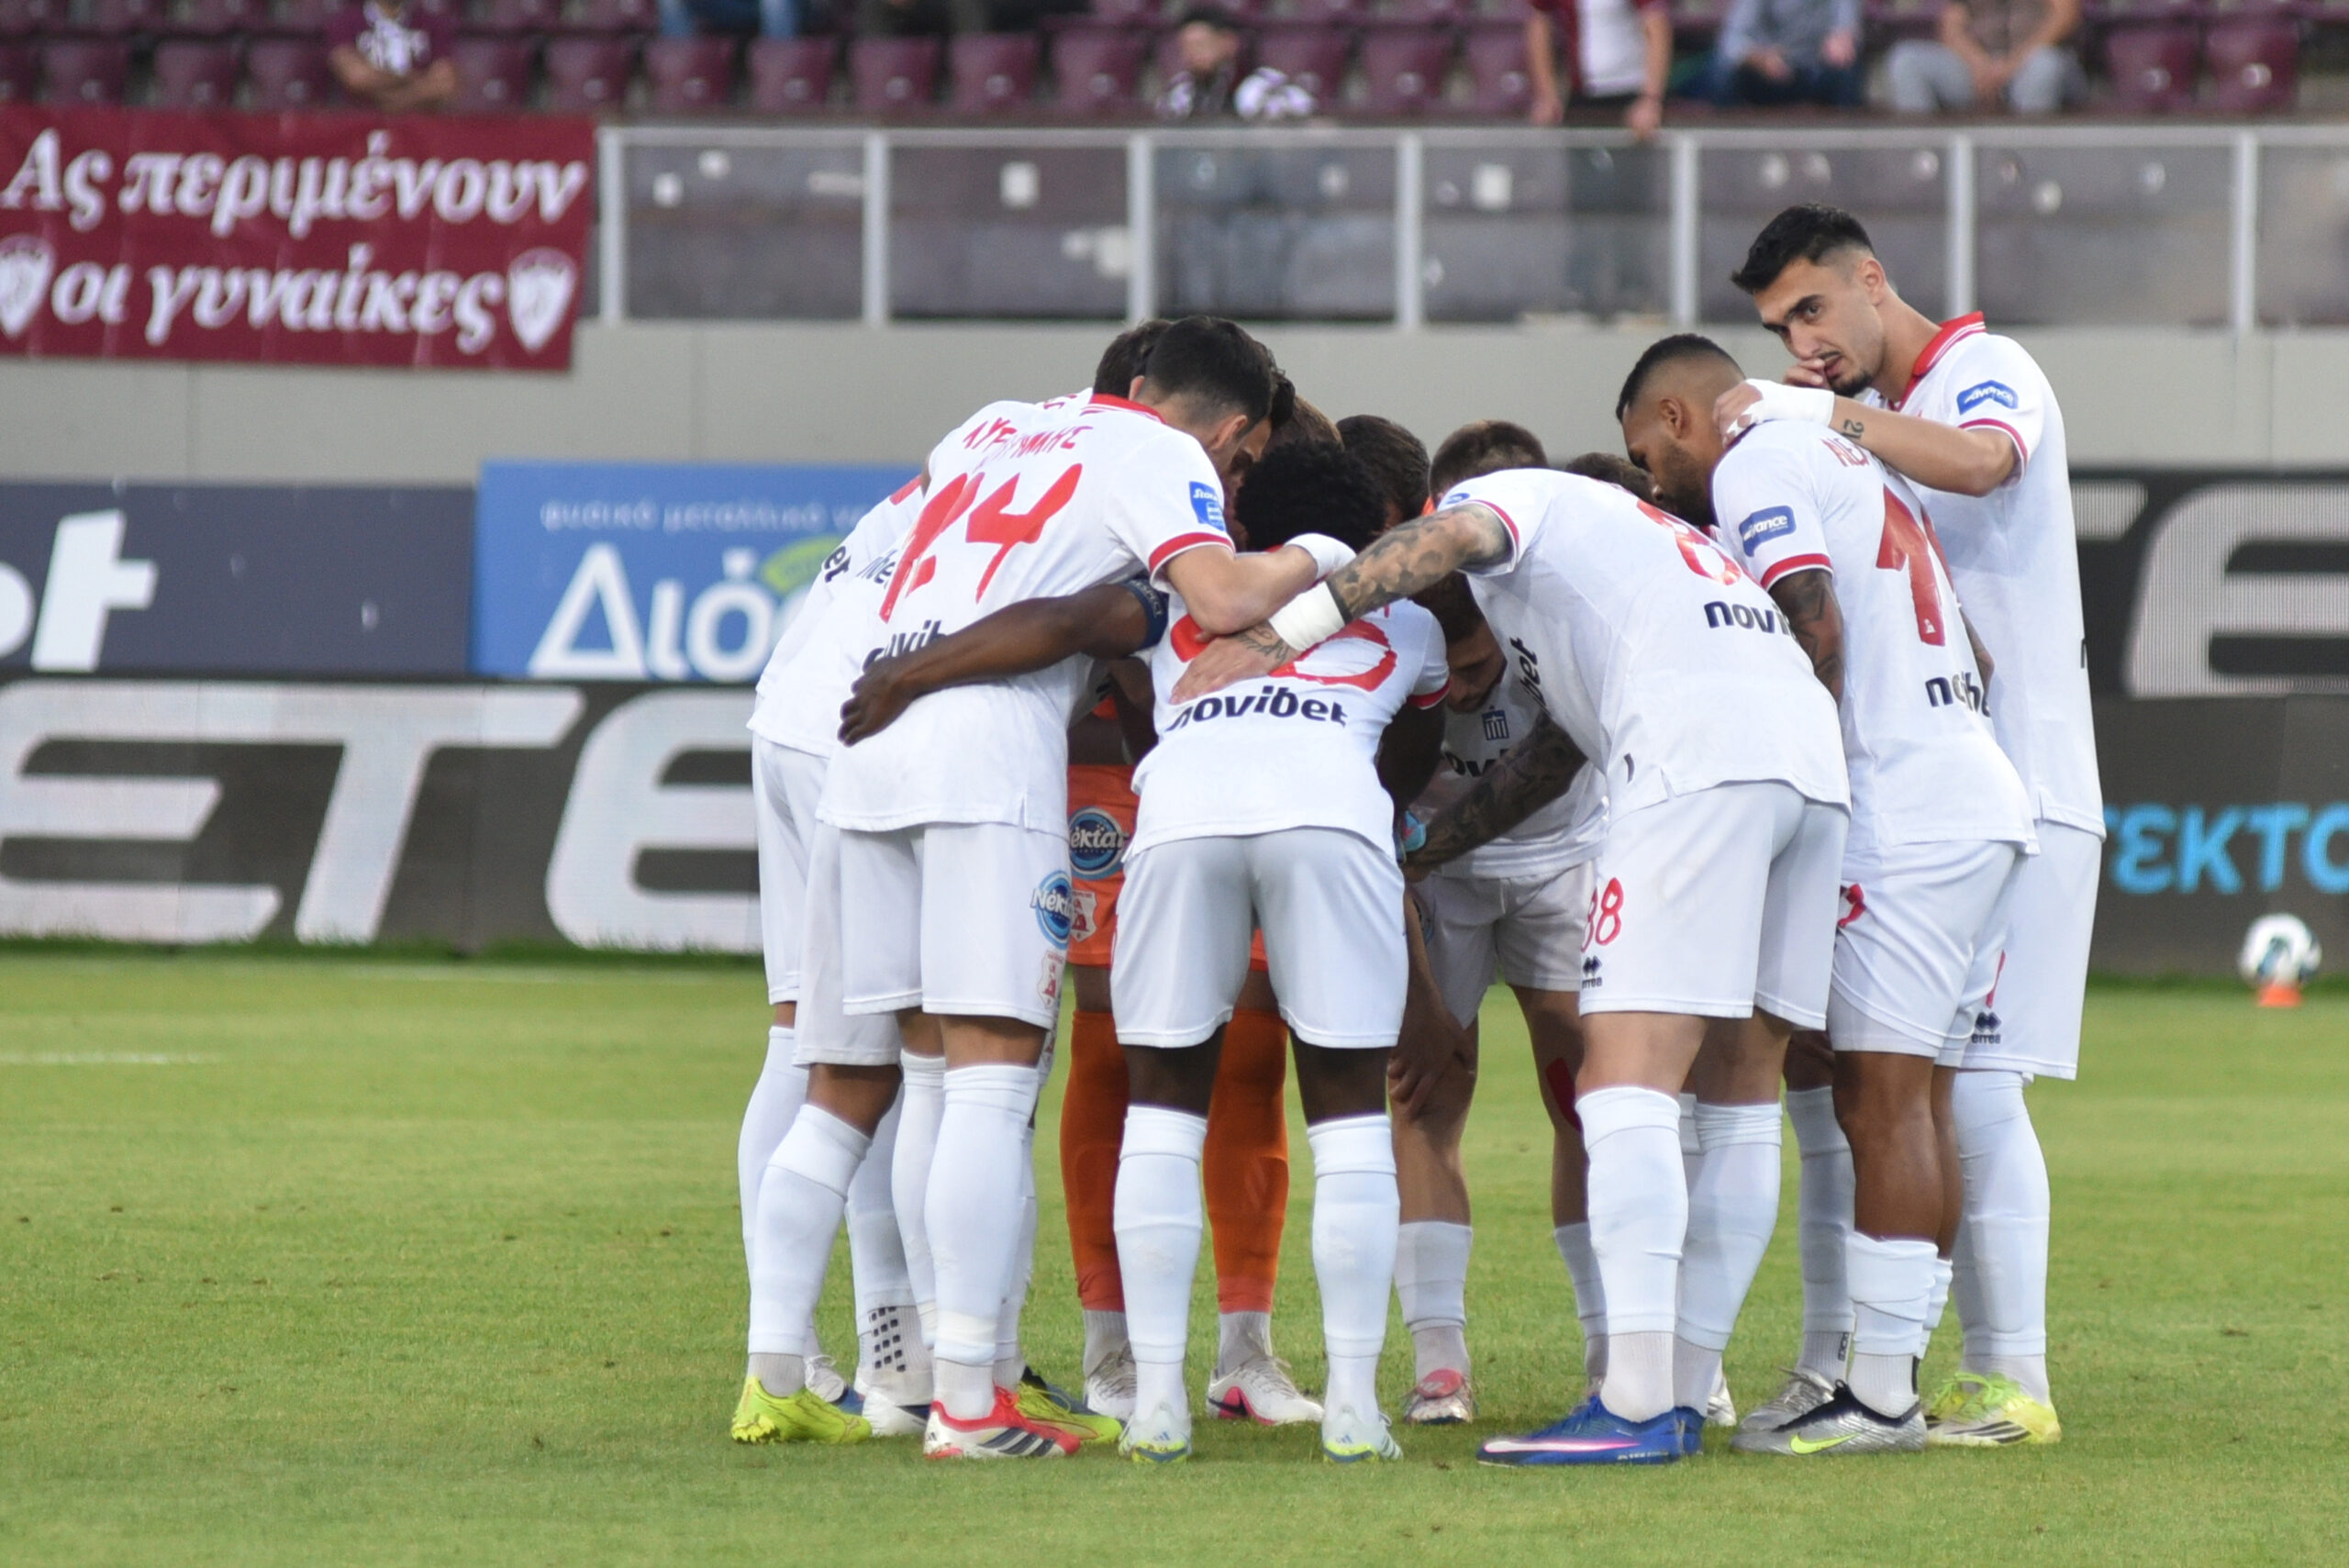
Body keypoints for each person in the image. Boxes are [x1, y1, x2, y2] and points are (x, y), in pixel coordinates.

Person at [1177, 438, 1848, 1468]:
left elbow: (1447, 535)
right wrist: (1420, 852)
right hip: (1806, 763)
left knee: (1618, 1080)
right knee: (1741, 1089)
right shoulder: (1645, 557)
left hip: (1692, 758)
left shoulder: (1516, 500)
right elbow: (1549, 756)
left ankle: (1634, 1401)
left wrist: (1282, 633)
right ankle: (1678, 1386)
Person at [817, 317, 1339, 1462]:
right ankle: (971, 1401)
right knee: (993, 1083)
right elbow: (1222, 595)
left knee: (927, 1076)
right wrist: (1320, 552)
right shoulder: (1160, 450)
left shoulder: (990, 426)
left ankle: (946, 1376)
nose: (1231, 479)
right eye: (1242, 460)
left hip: (869, 745)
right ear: (1232, 430)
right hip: (984, 753)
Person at [1722, 203, 2102, 1446]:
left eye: (1813, 310)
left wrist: (1821, 419)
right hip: (1943, 785)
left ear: (1872, 279)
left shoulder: (1983, 367)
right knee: (1902, 1082)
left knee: (1975, 1086)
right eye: (1780, 329)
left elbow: (1985, 462)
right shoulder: (1873, 424)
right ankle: (1873, 1368)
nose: (1803, 344)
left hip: (2020, 778)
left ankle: (2010, 1375)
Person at [1621, 332, 2033, 1456]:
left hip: (1901, 814)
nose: (1655, 482)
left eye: (1647, 455)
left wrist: (1803, 781)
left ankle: (1882, 1395)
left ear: (1676, 415)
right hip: (1972, 786)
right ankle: (1887, 1371)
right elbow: (1979, 657)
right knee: (1920, 1100)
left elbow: (1815, 624)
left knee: (1879, 1102)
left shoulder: (1756, 459)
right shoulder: (1861, 464)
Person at [1111, 441, 1449, 1463]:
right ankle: (1352, 1405)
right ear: (1374, 532)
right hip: (1332, 809)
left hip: (1182, 810)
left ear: (1248, 526)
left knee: (1161, 1110)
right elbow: (1409, 762)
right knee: (1348, 1119)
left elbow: (1129, 700)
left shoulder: (1182, 608)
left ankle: (1155, 1403)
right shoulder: (1411, 620)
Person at [1057, 324, 1320, 1430]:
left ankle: (1244, 1347)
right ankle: (1110, 1347)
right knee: (1113, 1046)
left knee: (1252, 1048)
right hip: (1105, 777)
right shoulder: (1074, 469)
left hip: (1237, 775)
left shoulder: (1266, 465)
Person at [1384, 421, 1610, 1429]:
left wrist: (1420, 848)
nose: (1467, 685)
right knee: (1425, 1091)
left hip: (1563, 860)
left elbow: (1555, 760)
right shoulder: (1404, 602)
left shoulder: (1568, 599)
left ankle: (1617, 1353)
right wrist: (1414, 861)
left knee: (1591, 1100)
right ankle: (1440, 1364)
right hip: (1443, 880)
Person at [731, 482, 930, 1447]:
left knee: (802, 1033)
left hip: (791, 711)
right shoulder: (1119, 469)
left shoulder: (990, 445)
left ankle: (801, 1352)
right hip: (857, 729)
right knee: (878, 1044)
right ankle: (884, 1357)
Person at [1887, 0, 2086, 116]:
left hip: (2031, 62)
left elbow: (2066, 16)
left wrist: (2013, 63)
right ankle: (1925, 159)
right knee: (1907, 61)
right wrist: (1978, 63)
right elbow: (1950, 27)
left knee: (2045, 65)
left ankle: (2031, 158)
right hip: (1981, 66)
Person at [1524, 0, 1671, 139]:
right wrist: (1547, 95)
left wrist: (1650, 99)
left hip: (1631, 92)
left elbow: (1656, 27)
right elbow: (1540, 21)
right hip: (1582, 95)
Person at [1158, 6, 1317, 121]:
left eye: (1200, 45)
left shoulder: (1262, 86)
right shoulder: (1180, 92)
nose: (1191, 55)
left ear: (1228, 42)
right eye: (1185, 48)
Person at [1701, 0, 1863, 108]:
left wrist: (1842, 40)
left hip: (1816, 70)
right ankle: (1727, 139)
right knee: (1722, 66)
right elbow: (1731, 39)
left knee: (1847, 67)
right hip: (1764, 72)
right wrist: (1758, 57)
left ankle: (1846, 141)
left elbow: (1845, 27)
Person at [327, 0, 458, 113]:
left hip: (419, 123)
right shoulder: (345, 21)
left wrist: (396, 100)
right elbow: (356, 76)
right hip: (359, 122)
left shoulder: (431, 22)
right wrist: (416, 81)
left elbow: (445, 83)